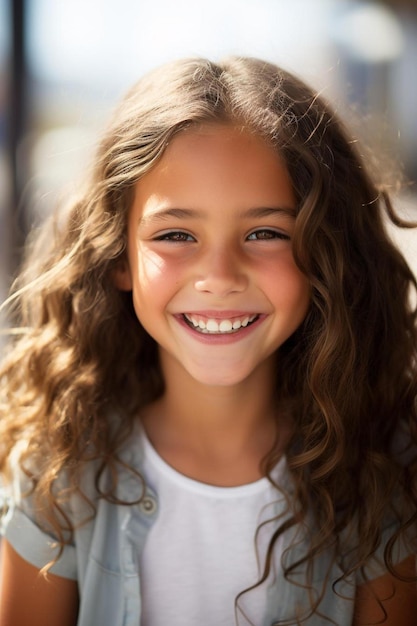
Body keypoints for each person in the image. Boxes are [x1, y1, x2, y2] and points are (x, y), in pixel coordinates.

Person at [0, 56, 416, 626]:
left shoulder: (386, 470)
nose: (219, 276)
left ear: (328, 253)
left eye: (266, 232)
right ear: (116, 255)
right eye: (176, 235)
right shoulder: (59, 467)